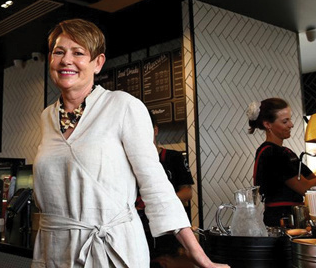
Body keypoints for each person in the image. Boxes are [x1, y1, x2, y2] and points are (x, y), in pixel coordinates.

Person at [32, 18, 228, 268]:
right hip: (55, 249)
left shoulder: (123, 106)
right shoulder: (46, 117)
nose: (66, 60)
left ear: (98, 62)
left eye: (78, 53)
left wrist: (201, 258)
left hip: (111, 249)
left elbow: (155, 185)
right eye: (58, 52)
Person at [137, 113, 195, 264]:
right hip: (140, 231)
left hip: (170, 229)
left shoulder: (174, 157)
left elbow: (187, 192)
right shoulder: (132, 163)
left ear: (155, 130)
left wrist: (156, 201)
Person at [249, 97, 316, 226]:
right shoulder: (270, 153)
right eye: (285, 121)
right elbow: (305, 188)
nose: (291, 124)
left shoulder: (287, 152)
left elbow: (312, 179)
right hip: (281, 220)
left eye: (290, 119)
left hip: (294, 217)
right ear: (267, 124)